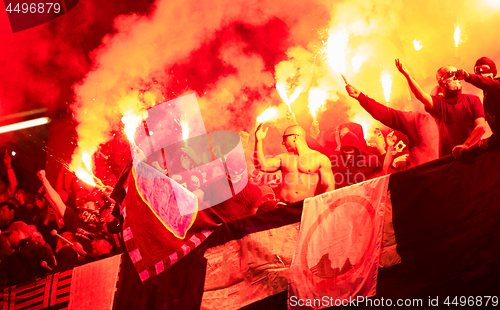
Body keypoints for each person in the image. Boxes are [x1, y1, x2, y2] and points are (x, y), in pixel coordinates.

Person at [395, 59, 486, 158]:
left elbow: (480, 127)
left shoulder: (473, 100)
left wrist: (465, 145)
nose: (455, 77)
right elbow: (421, 96)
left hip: (475, 155)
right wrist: (407, 76)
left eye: (456, 73)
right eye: (449, 74)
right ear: (440, 81)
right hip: (449, 158)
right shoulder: (438, 103)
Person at [345, 84, 439, 166]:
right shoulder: (418, 121)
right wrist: (362, 98)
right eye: (436, 99)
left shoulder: (452, 120)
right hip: (424, 177)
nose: (440, 103)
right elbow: (388, 114)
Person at [253, 124, 335, 203]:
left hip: (304, 208)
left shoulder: (320, 158)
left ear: (295, 137)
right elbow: (261, 166)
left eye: (284, 138)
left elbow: (329, 187)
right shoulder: (284, 158)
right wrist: (258, 141)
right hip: (283, 206)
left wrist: (323, 208)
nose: (283, 142)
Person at [37, 170, 101, 254]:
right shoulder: (75, 220)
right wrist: (44, 179)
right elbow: (57, 201)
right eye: (84, 207)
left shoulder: (100, 230)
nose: (85, 208)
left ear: (96, 211)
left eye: (88, 206)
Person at [194, 153, 262, 222]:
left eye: (238, 172)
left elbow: (254, 216)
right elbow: (198, 195)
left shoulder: (253, 189)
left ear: (244, 169)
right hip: (219, 227)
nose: (235, 174)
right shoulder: (215, 182)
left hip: (242, 228)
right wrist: (188, 196)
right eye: (232, 171)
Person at [458, 57, 500, 146]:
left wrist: (469, 77)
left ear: (493, 71)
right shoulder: (488, 92)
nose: (481, 72)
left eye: (485, 69)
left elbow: (492, 84)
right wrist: (493, 138)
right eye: (477, 70)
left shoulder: (497, 84)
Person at [0, 221, 55, 288]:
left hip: (23, 297)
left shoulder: (41, 250)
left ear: (18, 231)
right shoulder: (42, 250)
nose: (7, 238)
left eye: (9, 234)